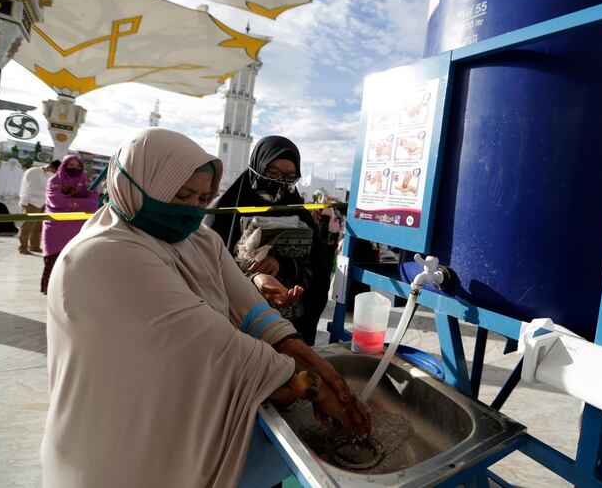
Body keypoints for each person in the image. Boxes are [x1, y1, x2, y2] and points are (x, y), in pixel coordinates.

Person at [42, 128, 369, 488]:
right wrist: (314, 388)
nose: (191, 210)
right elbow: (216, 347)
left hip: (173, 411)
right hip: (119, 434)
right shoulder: (104, 254)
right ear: (134, 184)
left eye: (202, 198)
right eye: (180, 195)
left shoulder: (197, 239)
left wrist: (328, 375)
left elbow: (255, 315)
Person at [207, 136, 334, 345]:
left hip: (289, 326)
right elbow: (206, 266)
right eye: (272, 173)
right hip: (237, 324)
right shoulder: (224, 210)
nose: (279, 183)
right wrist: (251, 278)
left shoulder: (297, 211)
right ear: (256, 167)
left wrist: (285, 267)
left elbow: (318, 267)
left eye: (289, 177)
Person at [41, 155, 99, 295]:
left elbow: (94, 202)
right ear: (64, 166)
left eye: (78, 166)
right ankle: (49, 289)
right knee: (53, 259)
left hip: (78, 228)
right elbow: (56, 202)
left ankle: (68, 290)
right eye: (71, 165)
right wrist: (81, 203)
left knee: (74, 259)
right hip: (55, 227)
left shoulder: (86, 181)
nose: (75, 169)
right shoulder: (54, 180)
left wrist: (71, 202)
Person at [18, 160, 60, 254]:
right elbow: (30, 187)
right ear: (50, 167)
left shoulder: (52, 175)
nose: (54, 173)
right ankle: (23, 247)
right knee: (28, 225)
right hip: (32, 201)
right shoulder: (33, 171)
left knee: (39, 226)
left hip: (45, 202)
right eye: (54, 171)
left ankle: (35, 246)